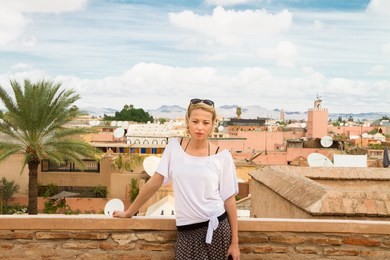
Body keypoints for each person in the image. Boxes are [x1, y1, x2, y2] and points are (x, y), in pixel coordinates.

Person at [113, 98, 240, 260]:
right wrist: (130, 211)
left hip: (216, 230)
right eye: (195, 121)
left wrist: (235, 242)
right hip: (186, 232)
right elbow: (155, 182)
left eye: (206, 122)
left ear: (213, 124)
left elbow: (229, 200)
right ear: (188, 121)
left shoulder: (222, 156)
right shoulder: (174, 147)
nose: (200, 127)